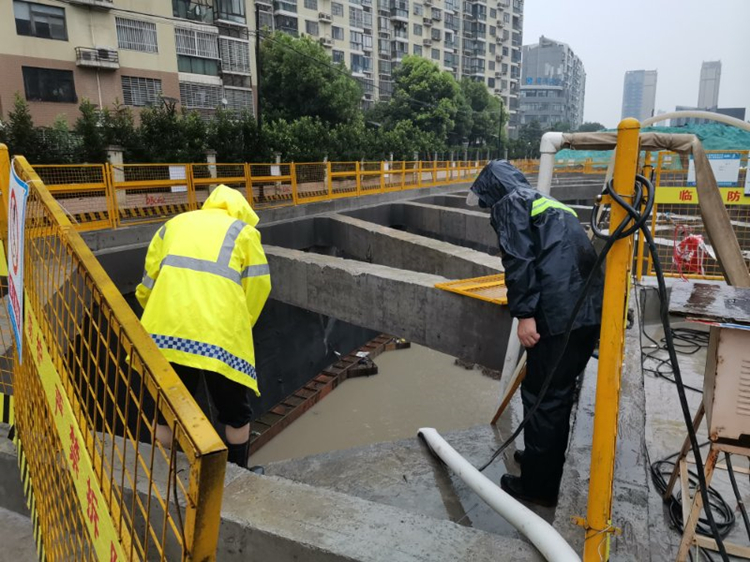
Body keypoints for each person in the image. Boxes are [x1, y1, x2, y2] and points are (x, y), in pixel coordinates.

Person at [467, 160, 603, 507]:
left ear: (492, 189)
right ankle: (541, 462)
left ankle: (538, 488)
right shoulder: (546, 201)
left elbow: (519, 259)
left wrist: (525, 314)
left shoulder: (510, 203)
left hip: (558, 318)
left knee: (544, 399)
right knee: (555, 394)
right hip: (586, 312)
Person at [136, 185, 271, 469]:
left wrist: (157, 314)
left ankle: (162, 475)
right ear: (241, 210)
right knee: (236, 414)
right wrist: (240, 324)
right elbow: (257, 288)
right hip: (220, 339)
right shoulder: (243, 232)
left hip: (166, 334)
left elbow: (148, 281)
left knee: (166, 412)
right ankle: (237, 474)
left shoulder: (173, 224)